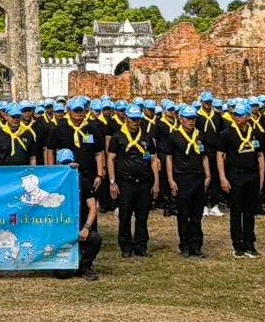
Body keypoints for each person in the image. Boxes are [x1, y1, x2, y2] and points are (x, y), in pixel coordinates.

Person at [107, 105, 158, 258]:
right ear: (126, 118)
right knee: (125, 215)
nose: (136, 122)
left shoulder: (147, 137)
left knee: (142, 215)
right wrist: (112, 182)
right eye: (133, 119)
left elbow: (153, 159)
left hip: (144, 181)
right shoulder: (118, 137)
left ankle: (141, 246)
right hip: (125, 182)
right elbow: (110, 159)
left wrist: (156, 182)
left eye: (138, 119)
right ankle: (126, 246)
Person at [217, 104, 264, 259]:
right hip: (235, 174)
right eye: (235, 115)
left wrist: (261, 177)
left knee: (250, 211)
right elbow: (220, 155)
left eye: (241, 115)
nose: (237, 117)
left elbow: (260, 155)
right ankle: (237, 244)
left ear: (248, 116)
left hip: (252, 174)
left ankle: (250, 243)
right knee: (236, 211)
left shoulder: (255, 132)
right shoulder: (227, 133)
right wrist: (223, 177)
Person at [164, 105, 211, 257]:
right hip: (182, 178)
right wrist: (171, 179)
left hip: (198, 177)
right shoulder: (174, 136)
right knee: (183, 214)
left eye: (193, 118)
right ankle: (184, 245)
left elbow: (204, 156)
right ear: (181, 119)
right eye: (188, 118)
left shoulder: (200, 135)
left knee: (197, 214)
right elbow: (169, 159)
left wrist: (208, 175)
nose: (191, 121)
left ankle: (196, 245)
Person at [52, 148, 101, 281]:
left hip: (79, 227)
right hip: (61, 229)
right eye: (63, 164)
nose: (67, 167)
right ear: (57, 165)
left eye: (69, 163)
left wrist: (86, 228)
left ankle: (85, 266)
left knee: (95, 239)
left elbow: (93, 207)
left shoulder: (83, 181)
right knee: (62, 275)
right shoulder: (53, 182)